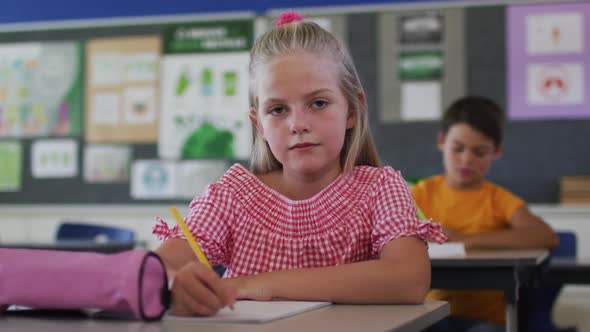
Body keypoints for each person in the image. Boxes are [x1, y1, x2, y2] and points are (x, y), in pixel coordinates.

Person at [153, 11, 446, 317]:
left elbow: (409, 280)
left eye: (318, 103)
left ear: (352, 110)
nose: (298, 124)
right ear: (259, 125)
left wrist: (266, 284)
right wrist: (176, 283)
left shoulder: (380, 189)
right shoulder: (230, 197)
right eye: (278, 109)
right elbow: (158, 267)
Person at [412, 96, 558, 331]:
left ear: (496, 151)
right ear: (441, 141)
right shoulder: (419, 194)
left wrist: (463, 239)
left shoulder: (498, 200)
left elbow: (545, 236)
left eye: (479, 152)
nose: (466, 159)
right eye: (457, 148)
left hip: (487, 321)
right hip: (431, 313)